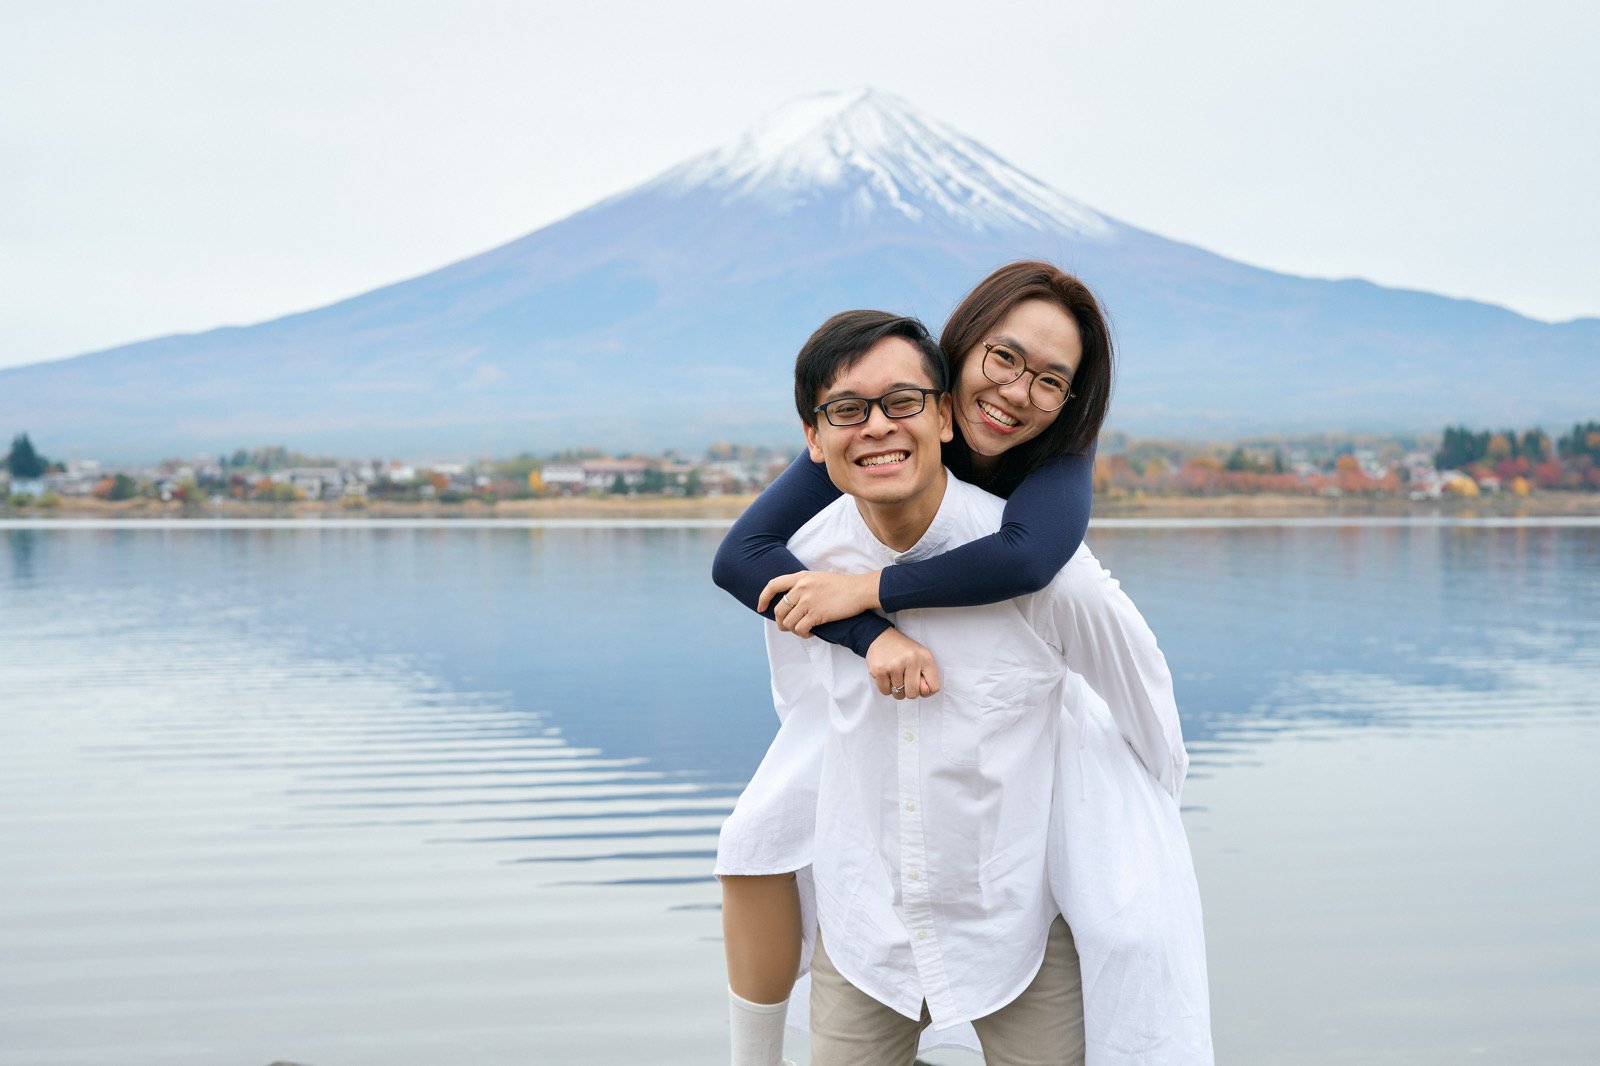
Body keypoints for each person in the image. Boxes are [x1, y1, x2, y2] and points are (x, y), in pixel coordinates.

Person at [714, 263, 1211, 1065]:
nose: (1019, 392)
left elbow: (1030, 563)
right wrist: (870, 632)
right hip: (869, 882)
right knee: (753, 841)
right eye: (1005, 358)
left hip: (1012, 874)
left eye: (1052, 380)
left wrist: (867, 590)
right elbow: (742, 558)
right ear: (957, 361)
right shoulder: (862, 437)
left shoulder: (1054, 482)